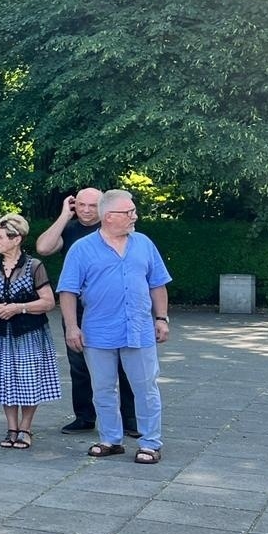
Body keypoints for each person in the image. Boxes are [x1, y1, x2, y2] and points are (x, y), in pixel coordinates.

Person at [57, 189, 172, 464]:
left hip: (139, 330)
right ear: (109, 217)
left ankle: (150, 443)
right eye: (129, 212)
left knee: (146, 388)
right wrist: (72, 327)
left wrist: (162, 318)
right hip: (98, 332)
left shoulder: (144, 243)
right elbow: (68, 291)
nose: (135, 216)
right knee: (104, 388)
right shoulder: (82, 249)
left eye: (133, 211)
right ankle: (110, 439)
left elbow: (157, 283)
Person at [36, 187, 138, 436]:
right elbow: (43, 248)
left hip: (113, 309)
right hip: (78, 309)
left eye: (92, 206)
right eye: (80, 205)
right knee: (79, 364)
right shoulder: (70, 230)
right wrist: (63, 216)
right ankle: (84, 416)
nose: (85, 210)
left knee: (125, 366)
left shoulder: (116, 229)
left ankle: (130, 419)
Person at [0, 213, 61, 449]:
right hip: (0, 334)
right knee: (4, 380)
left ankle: (26, 428)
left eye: (1, 237)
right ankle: (11, 428)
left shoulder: (34, 266)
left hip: (29, 334)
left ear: (16, 239)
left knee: (28, 380)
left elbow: (48, 302)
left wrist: (19, 308)